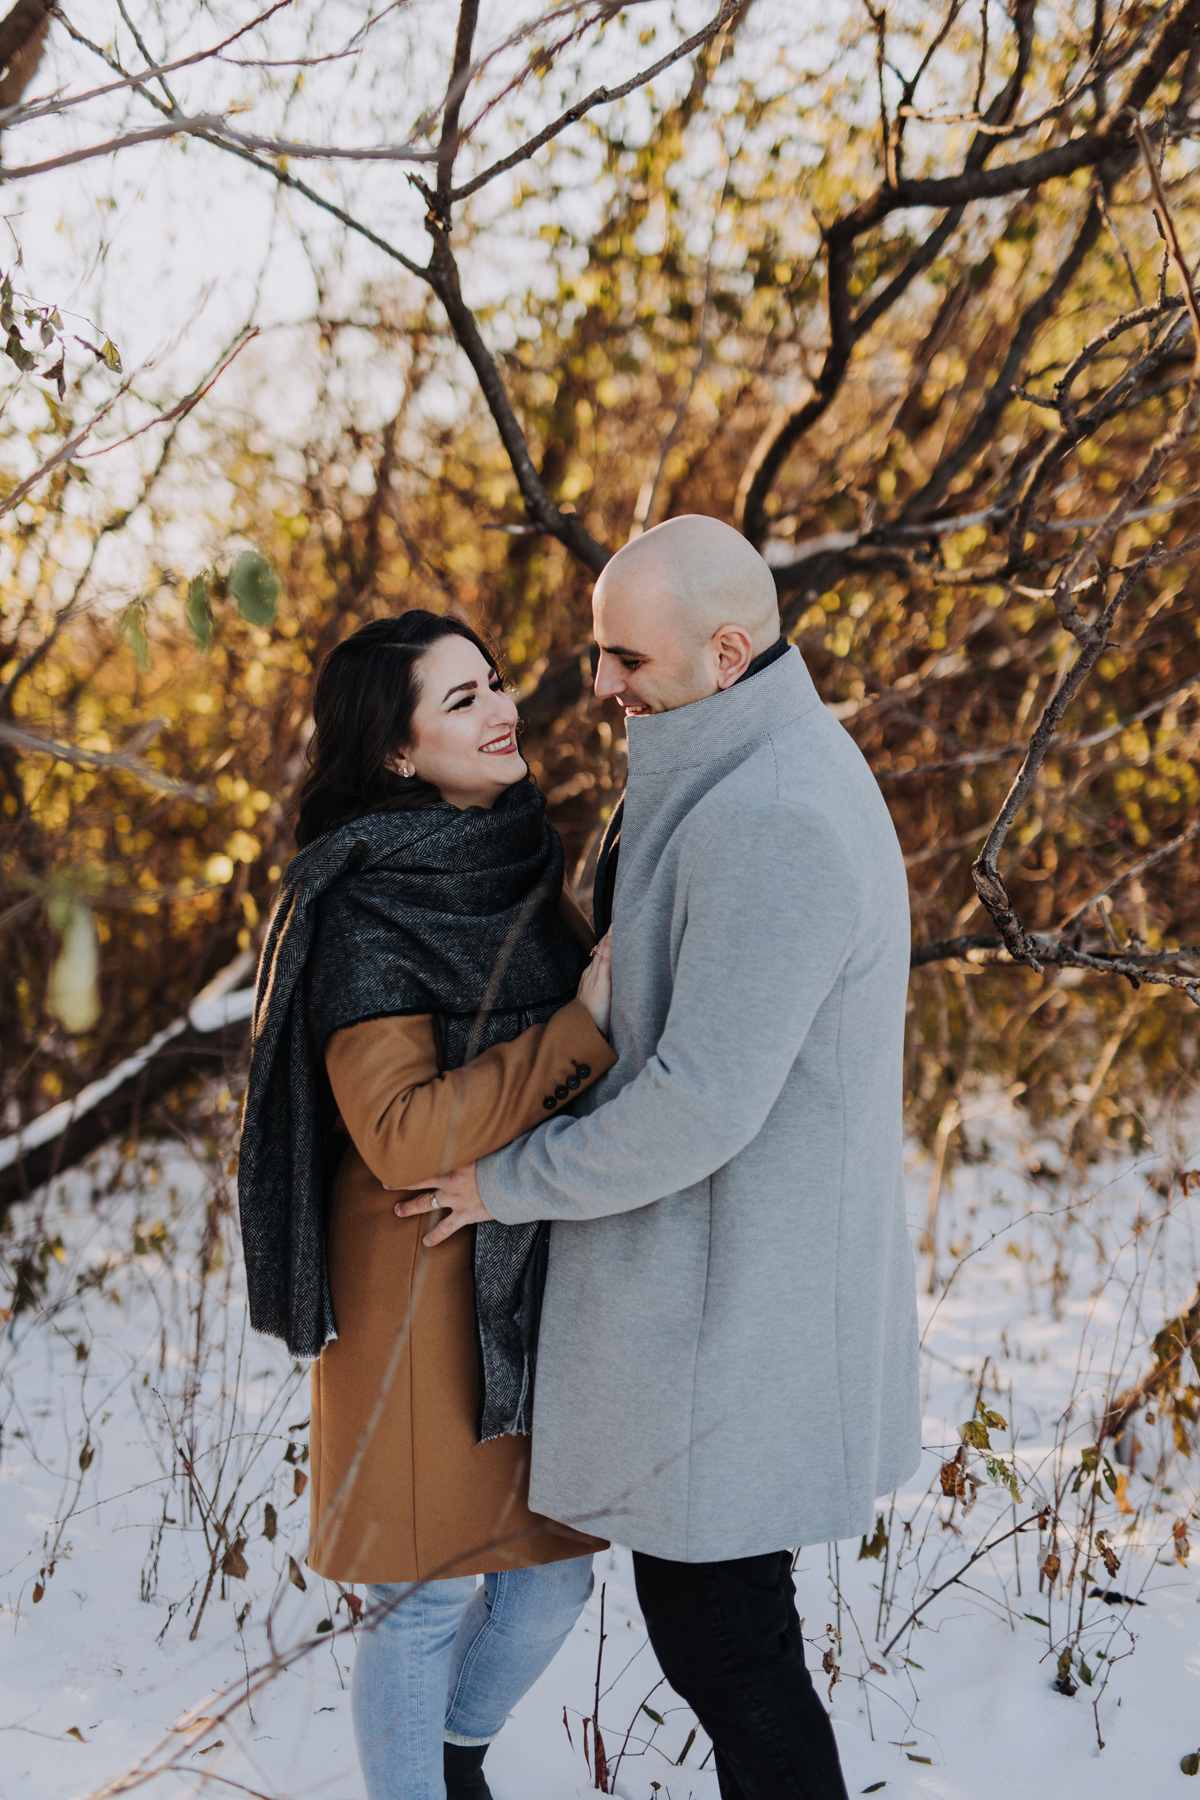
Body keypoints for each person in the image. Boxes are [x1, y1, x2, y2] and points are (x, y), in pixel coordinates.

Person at [394, 516, 922, 1800]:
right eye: (595, 652)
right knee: (729, 1643)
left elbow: (697, 1104)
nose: (603, 686)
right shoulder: (721, 757)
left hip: (740, 1304)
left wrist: (502, 1180)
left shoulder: (778, 817)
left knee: (729, 1653)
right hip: (718, 1295)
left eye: (625, 658)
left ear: (728, 650)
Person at [237, 611, 617, 1800]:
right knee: (423, 1597)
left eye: (492, 683)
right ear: (397, 754)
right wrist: (578, 1031)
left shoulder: (515, 855)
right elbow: (400, 1137)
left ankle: (448, 1761)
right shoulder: (368, 904)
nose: (501, 708)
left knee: (554, 1577)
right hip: (415, 1283)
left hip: (520, 1258)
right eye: (460, 700)